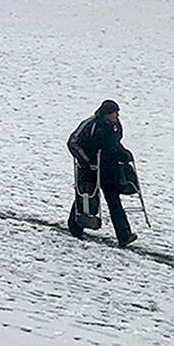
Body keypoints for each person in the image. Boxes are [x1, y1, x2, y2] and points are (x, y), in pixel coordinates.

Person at [67, 99, 137, 246]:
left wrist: (123, 153)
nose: (117, 115)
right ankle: (75, 226)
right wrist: (86, 161)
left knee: (114, 200)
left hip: (109, 169)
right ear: (106, 114)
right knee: (86, 195)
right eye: (114, 113)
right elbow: (73, 142)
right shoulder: (90, 124)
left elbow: (114, 144)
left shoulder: (116, 126)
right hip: (89, 168)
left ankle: (124, 235)